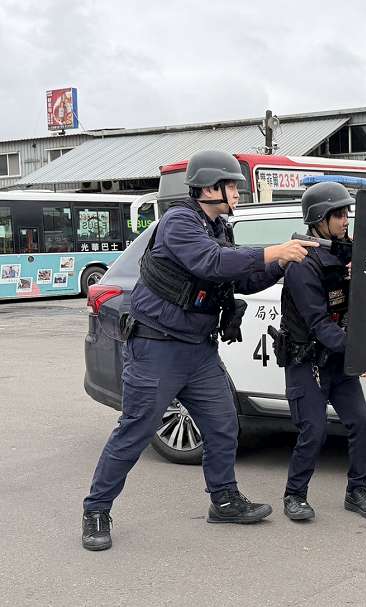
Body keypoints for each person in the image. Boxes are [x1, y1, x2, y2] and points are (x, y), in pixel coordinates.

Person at [81, 150, 317, 551]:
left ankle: (223, 500)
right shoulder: (179, 222)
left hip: (198, 351)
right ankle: (96, 510)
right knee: (135, 431)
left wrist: (285, 263)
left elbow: (236, 279)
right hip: (157, 349)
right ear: (209, 187)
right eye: (232, 187)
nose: (238, 194)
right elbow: (211, 263)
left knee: (224, 424)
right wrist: (274, 251)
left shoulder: (219, 227)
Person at [276, 181, 366, 522]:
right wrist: (359, 352)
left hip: (337, 357)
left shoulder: (346, 251)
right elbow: (319, 323)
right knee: (314, 429)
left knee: (361, 423)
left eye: (346, 213)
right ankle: (295, 495)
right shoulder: (302, 263)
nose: (344, 220)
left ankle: (357, 490)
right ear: (319, 218)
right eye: (337, 214)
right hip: (307, 359)